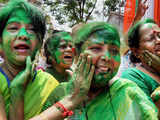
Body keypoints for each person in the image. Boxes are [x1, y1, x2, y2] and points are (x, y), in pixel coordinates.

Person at [31, 22, 158, 120]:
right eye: (96, 48)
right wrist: (71, 100)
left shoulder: (128, 92)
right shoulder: (61, 92)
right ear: (77, 55)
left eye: (114, 51)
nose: (107, 57)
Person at [0, 0, 59, 119]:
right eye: (13, 28)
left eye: (31, 30)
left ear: (40, 43)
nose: (23, 35)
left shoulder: (50, 85)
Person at [121, 19, 160, 102]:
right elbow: (149, 113)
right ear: (136, 51)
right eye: (151, 39)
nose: (159, 41)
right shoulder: (132, 77)